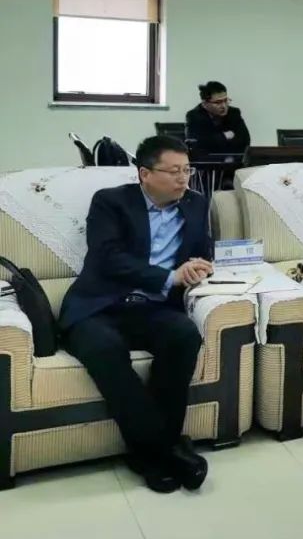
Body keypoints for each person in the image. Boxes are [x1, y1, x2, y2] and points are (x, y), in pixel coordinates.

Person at [60, 136, 212, 493]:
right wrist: (168, 277)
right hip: (98, 305)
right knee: (105, 348)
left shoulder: (196, 203)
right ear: (145, 173)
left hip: (152, 308)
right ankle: (165, 450)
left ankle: (150, 455)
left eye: (187, 170)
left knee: (184, 335)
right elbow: (107, 257)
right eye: (173, 171)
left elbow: (202, 249)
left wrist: (198, 265)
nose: (183, 179)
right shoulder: (110, 201)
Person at [184, 81, 251, 155]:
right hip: (205, 160)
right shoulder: (193, 116)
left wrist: (212, 140)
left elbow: (245, 140)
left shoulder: (234, 113)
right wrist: (224, 136)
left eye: (226, 101)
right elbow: (194, 143)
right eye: (218, 102)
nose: (224, 106)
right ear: (205, 104)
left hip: (232, 158)